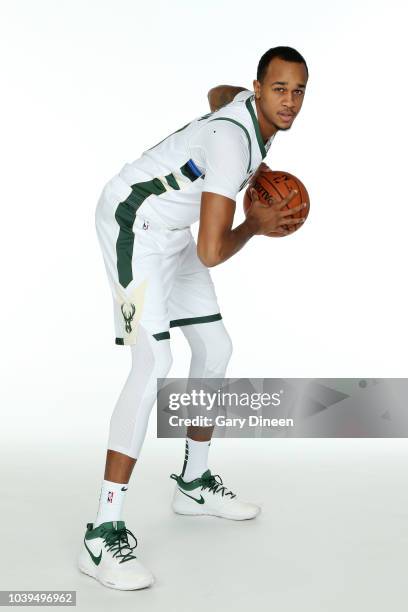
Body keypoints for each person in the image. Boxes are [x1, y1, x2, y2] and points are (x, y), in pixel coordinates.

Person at [77, 45, 309, 591]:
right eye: (278, 89)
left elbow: (216, 96)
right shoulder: (232, 143)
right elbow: (211, 251)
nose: (290, 102)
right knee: (154, 360)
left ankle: (193, 481)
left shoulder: (246, 111)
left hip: (172, 231)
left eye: (298, 91)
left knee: (215, 349)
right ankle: (101, 532)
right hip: (131, 223)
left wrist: (259, 157)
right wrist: (255, 221)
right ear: (259, 88)